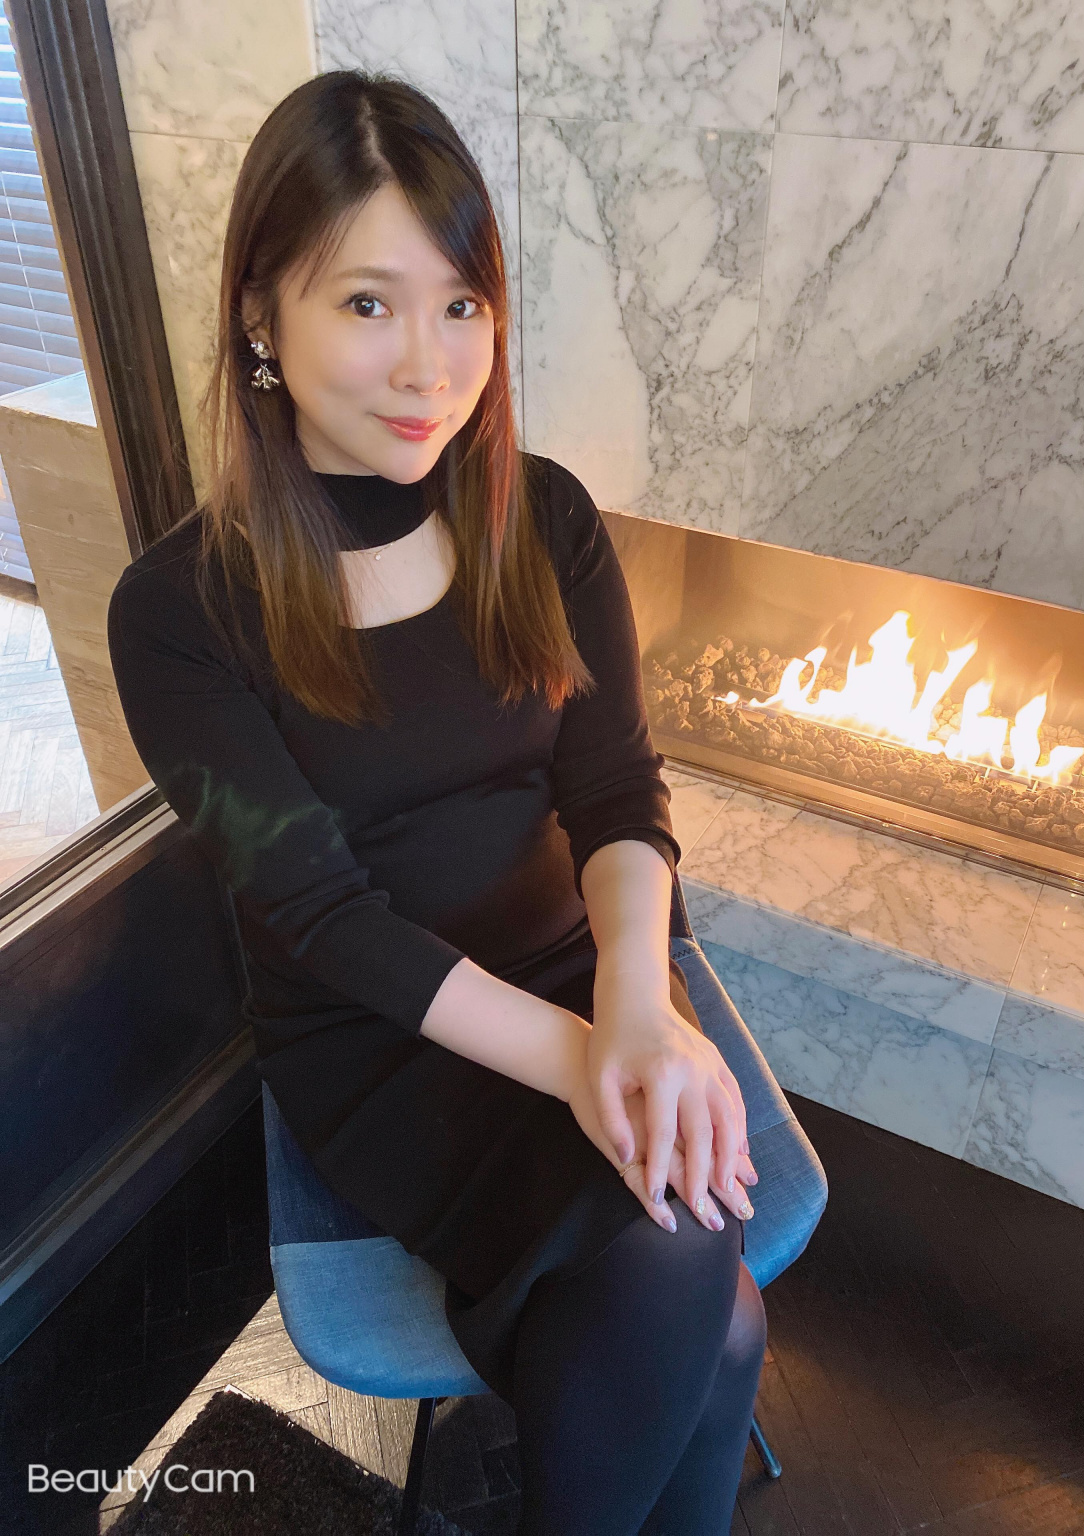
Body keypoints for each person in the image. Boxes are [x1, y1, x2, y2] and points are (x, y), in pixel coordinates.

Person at [107, 71, 820, 1534]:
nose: (430, 367)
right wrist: (583, 1061)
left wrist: (637, 1003)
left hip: (581, 964)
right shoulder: (178, 612)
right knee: (695, 1275)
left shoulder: (541, 517)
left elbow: (616, 792)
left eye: (462, 305)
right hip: (380, 1028)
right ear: (261, 316)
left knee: (703, 1296)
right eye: (368, 304)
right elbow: (320, 918)